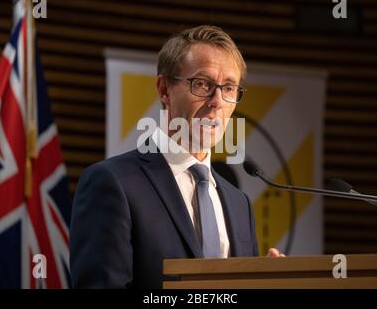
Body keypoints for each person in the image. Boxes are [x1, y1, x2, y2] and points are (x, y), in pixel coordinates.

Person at [70, 25, 283, 289]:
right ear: (164, 89)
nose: (217, 101)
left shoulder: (239, 203)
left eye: (229, 88)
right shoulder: (113, 182)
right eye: (202, 83)